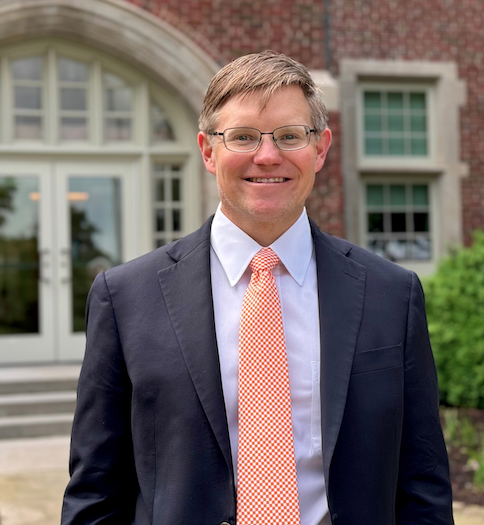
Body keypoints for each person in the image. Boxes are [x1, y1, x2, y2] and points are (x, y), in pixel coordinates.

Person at [62, 50, 453, 525]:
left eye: (290, 136)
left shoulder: (393, 294)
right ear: (208, 150)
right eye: (243, 137)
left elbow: (423, 483)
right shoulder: (125, 298)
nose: (268, 157)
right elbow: (96, 493)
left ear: (321, 148)